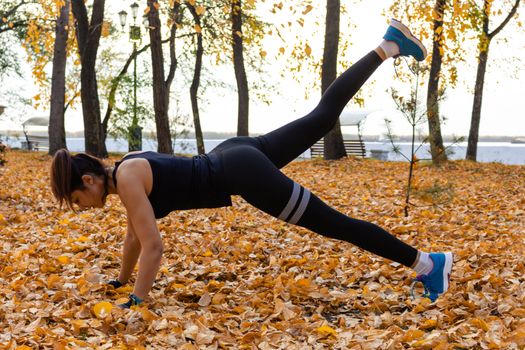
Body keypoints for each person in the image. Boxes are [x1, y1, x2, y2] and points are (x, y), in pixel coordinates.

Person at [50, 19, 453, 309]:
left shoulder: (129, 179)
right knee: (323, 117)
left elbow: (153, 248)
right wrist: (121, 281)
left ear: (88, 180)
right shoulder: (127, 171)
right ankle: (388, 45)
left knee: (334, 223)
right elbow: (135, 240)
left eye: (76, 199)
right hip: (234, 154)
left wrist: (137, 301)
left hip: (240, 171)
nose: (82, 207)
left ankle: (428, 263)